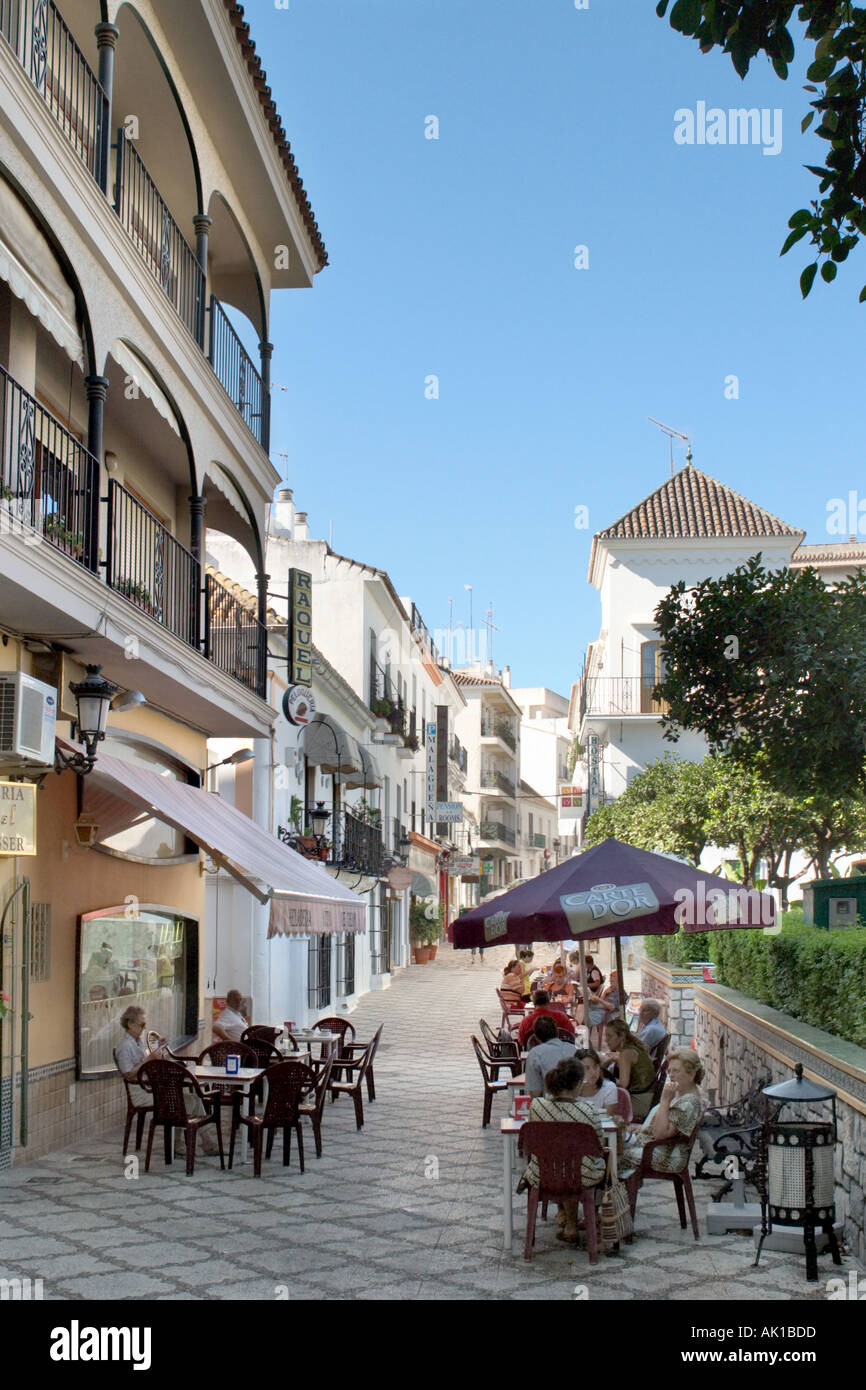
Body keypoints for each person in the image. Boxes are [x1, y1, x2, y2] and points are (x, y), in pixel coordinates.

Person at [518, 1056, 606, 1244]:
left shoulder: (537, 1106)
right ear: (577, 1084)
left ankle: (567, 1221)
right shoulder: (588, 1111)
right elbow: (598, 1145)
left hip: (545, 1174)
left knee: (560, 1162)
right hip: (582, 1175)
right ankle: (585, 1220)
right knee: (577, 1163)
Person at [621, 1048, 704, 1177]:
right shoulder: (680, 1096)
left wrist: (664, 1100)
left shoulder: (689, 1102)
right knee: (612, 1146)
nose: (671, 1075)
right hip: (654, 1148)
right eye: (669, 1071)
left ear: (692, 1074)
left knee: (613, 1155)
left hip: (665, 1157)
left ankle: (614, 1193)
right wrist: (642, 1128)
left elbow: (661, 1134)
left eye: (676, 1070)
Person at [602, 1017, 655, 1119]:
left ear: (621, 1036)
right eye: (606, 1035)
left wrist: (604, 1079)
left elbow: (623, 1084)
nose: (606, 1039)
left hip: (639, 1102)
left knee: (598, 1105)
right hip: (647, 1097)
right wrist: (611, 1061)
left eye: (609, 1036)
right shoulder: (632, 1048)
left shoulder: (626, 1053)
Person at [524, 1015, 577, 1096]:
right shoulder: (574, 1049)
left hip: (549, 1103)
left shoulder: (535, 1054)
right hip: (577, 1102)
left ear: (536, 1037)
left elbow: (535, 1093)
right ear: (557, 1032)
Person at [575, 1047, 619, 1115]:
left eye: (595, 1066)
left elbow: (606, 1121)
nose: (593, 1072)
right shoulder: (568, 1090)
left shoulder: (609, 1088)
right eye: (587, 1068)